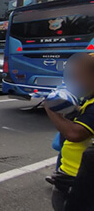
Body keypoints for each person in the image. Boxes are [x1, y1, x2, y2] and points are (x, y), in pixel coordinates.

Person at [45, 53, 94, 211]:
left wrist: (50, 108)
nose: (75, 81)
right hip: (72, 172)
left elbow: (75, 134)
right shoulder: (88, 99)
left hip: (78, 178)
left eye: (79, 77)